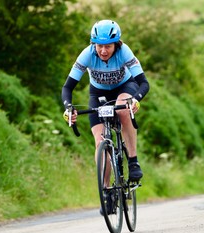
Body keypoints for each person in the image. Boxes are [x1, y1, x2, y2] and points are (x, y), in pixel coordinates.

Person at [61, 20, 149, 181]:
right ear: (93, 44)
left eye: (108, 46)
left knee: (122, 109)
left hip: (125, 87)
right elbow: (67, 88)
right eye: (99, 45)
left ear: (116, 44)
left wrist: (136, 99)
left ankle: (133, 161)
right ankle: (106, 192)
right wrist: (68, 107)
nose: (103, 51)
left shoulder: (124, 52)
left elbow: (144, 83)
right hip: (98, 93)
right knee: (99, 142)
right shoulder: (87, 54)